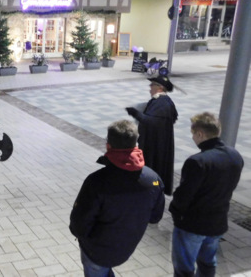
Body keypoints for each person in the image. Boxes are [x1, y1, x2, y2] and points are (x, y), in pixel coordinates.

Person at [70, 119, 165, 277]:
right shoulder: (154, 179)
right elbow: (155, 217)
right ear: (136, 144)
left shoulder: (96, 182)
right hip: (126, 248)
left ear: (108, 145)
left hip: (96, 252)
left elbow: (79, 225)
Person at [169, 112, 243, 277]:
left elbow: (183, 196)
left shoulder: (197, 161)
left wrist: (175, 211)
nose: (193, 138)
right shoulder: (235, 156)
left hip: (192, 224)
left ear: (200, 134)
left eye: (193, 134)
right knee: (208, 263)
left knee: (184, 268)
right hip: (217, 222)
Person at [126, 75, 178, 195]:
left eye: (152, 85)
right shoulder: (161, 101)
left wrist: (135, 113)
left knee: (155, 166)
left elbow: (151, 121)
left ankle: (153, 187)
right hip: (157, 141)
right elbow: (171, 118)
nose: (150, 88)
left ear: (160, 87)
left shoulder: (162, 103)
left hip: (156, 144)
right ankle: (153, 186)